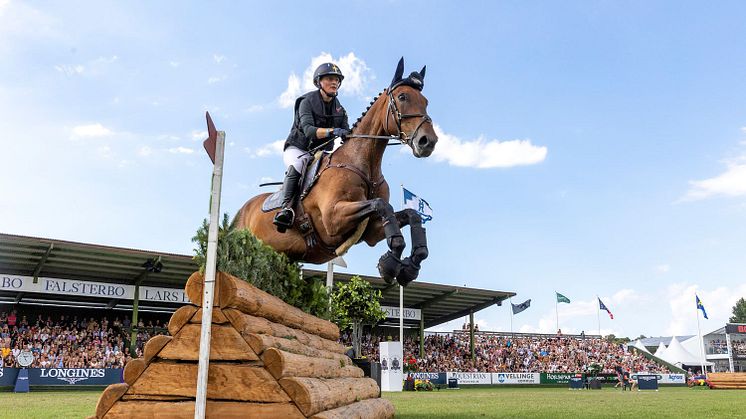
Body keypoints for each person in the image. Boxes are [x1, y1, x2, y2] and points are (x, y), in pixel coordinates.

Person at [273, 62, 350, 232]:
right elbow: (308, 131)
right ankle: (285, 209)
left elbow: (347, 135)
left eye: (337, 80)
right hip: (298, 149)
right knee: (299, 164)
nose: (334, 82)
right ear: (319, 82)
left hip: (320, 153)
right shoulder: (306, 101)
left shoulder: (340, 110)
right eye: (330, 79)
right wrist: (333, 131)